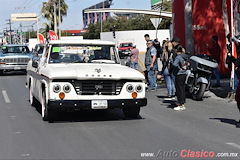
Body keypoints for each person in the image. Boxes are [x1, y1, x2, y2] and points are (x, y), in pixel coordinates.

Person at [172, 46, 189, 111]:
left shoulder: (178, 57)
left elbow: (174, 64)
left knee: (179, 89)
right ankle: (182, 102)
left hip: (179, 74)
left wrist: (178, 68)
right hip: (184, 73)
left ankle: (181, 104)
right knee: (182, 88)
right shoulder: (185, 56)